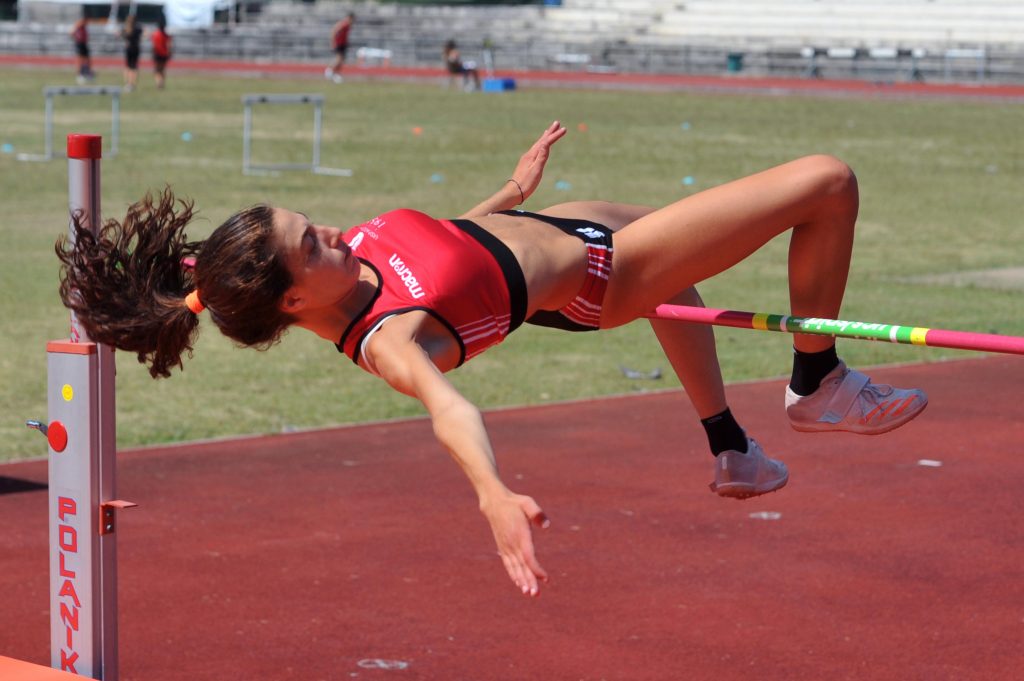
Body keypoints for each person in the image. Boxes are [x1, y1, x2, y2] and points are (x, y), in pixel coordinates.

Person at [56, 122, 927, 598]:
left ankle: (730, 445)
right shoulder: (391, 340)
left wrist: (512, 193)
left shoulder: (332, 268)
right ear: (295, 300)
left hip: (563, 225)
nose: (325, 228)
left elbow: (440, 246)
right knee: (827, 178)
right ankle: (819, 381)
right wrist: (492, 491)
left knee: (690, 285)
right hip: (597, 275)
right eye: (309, 242)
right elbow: (450, 411)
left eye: (304, 219)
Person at [326, 13, 354, 84]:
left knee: (341, 61)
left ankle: (336, 74)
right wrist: (333, 42)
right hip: (339, 44)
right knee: (339, 59)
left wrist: (347, 43)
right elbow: (334, 31)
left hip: (343, 44)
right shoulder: (343, 24)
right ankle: (329, 70)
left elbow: (345, 36)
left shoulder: (348, 26)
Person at [70, 12, 94, 84]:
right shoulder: (80, 23)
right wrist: (76, 38)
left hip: (83, 44)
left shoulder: (83, 25)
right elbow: (71, 31)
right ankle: (79, 75)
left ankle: (87, 73)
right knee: (80, 60)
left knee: (87, 60)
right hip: (80, 44)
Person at [121, 15, 142, 92]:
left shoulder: (126, 29)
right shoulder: (137, 29)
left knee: (128, 66)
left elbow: (119, 34)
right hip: (135, 49)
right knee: (134, 67)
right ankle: (132, 84)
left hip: (128, 49)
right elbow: (144, 34)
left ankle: (127, 83)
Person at [151, 17, 172, 90]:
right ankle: (162, 82)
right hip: (164, 54)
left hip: (157, 53)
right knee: (162, 69)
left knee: (157, 69)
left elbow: (154, 45)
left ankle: (158, 82)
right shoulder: (167, 35)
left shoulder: (155, 34)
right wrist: (169, 53)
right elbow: (169, 45)